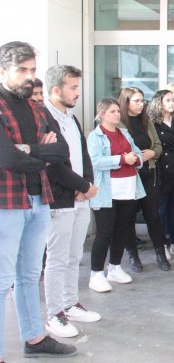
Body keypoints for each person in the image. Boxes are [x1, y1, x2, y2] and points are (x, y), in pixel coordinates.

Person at [0, 41, 76, 359]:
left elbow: (62, 150)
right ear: (2, 70)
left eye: (32, 70)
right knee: (3, 279)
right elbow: (7, 158)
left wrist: (30, 150)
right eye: (22, 70)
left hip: (38, 199)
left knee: (30, 274)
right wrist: (41, 151)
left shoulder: (35, 107)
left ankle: (34, 338)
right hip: (6, 203)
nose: (29, 76)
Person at [43, 65, 101, 339]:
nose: (78, 92)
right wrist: (82, 186)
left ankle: (70, 303)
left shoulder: (71, 117)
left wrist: (86, 184)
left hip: (80, 197)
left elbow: (83, 154)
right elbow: (51, 164)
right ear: (57, 90)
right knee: (57, 259)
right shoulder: (43, 117)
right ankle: (54, 314)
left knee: (74, 255)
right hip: (59, 199)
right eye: (73, 87)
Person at [87, 98, 146, 293]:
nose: (117, 114)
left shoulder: (124, 132)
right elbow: (95, 161)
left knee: (122, 229)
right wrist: (122, 159)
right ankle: (96, 273)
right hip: (106, 190)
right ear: (102, 114)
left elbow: (138, 155)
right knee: (105, 232)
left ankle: (114, 267)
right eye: (112, 111)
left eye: (118, 111)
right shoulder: (95, 136)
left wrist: (136, 159)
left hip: (128, 188)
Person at [117, 87, 171, 272]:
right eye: (137, 101)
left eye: (143, 101)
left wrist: (152, 153)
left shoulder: (146, 121)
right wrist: (134, 156)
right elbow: (116, 150)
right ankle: (133, 255)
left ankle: (160, 254)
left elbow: (158, 146)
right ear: (126, 103)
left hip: (149, 173)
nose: (141, 104)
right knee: (128, 217)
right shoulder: (119, 123)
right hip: (128, 176)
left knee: (153, 216)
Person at [149, 89, 174, 258]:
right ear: (159, 103)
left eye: (172, 100)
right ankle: (163, 243)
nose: (172, 103)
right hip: (161, 171)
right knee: (161, 210)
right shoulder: (153, 124)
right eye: (168, 100)